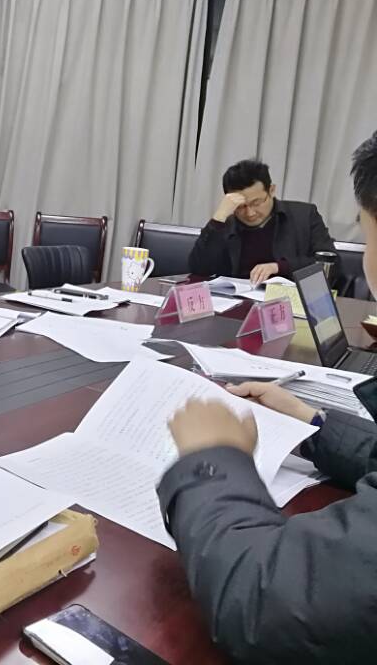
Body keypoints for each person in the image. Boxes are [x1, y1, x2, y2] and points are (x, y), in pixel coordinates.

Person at [158, 133, 377, 662]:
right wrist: (314, 423)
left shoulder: (300, 216)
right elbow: (198, 267)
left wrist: (212, 460)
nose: (251, 211)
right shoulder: (230, 222)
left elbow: (264, 600)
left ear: (272, 192)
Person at [188, 158, 338, 285]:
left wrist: (280, 267)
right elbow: (199, 270)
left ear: (271, 190)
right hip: (236, 301)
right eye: (240, 206)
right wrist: (218, 218)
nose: (250, 213)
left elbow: (331, 264)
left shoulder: (304, 216)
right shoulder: (224, 224)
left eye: (257, 203)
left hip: (290, 300)